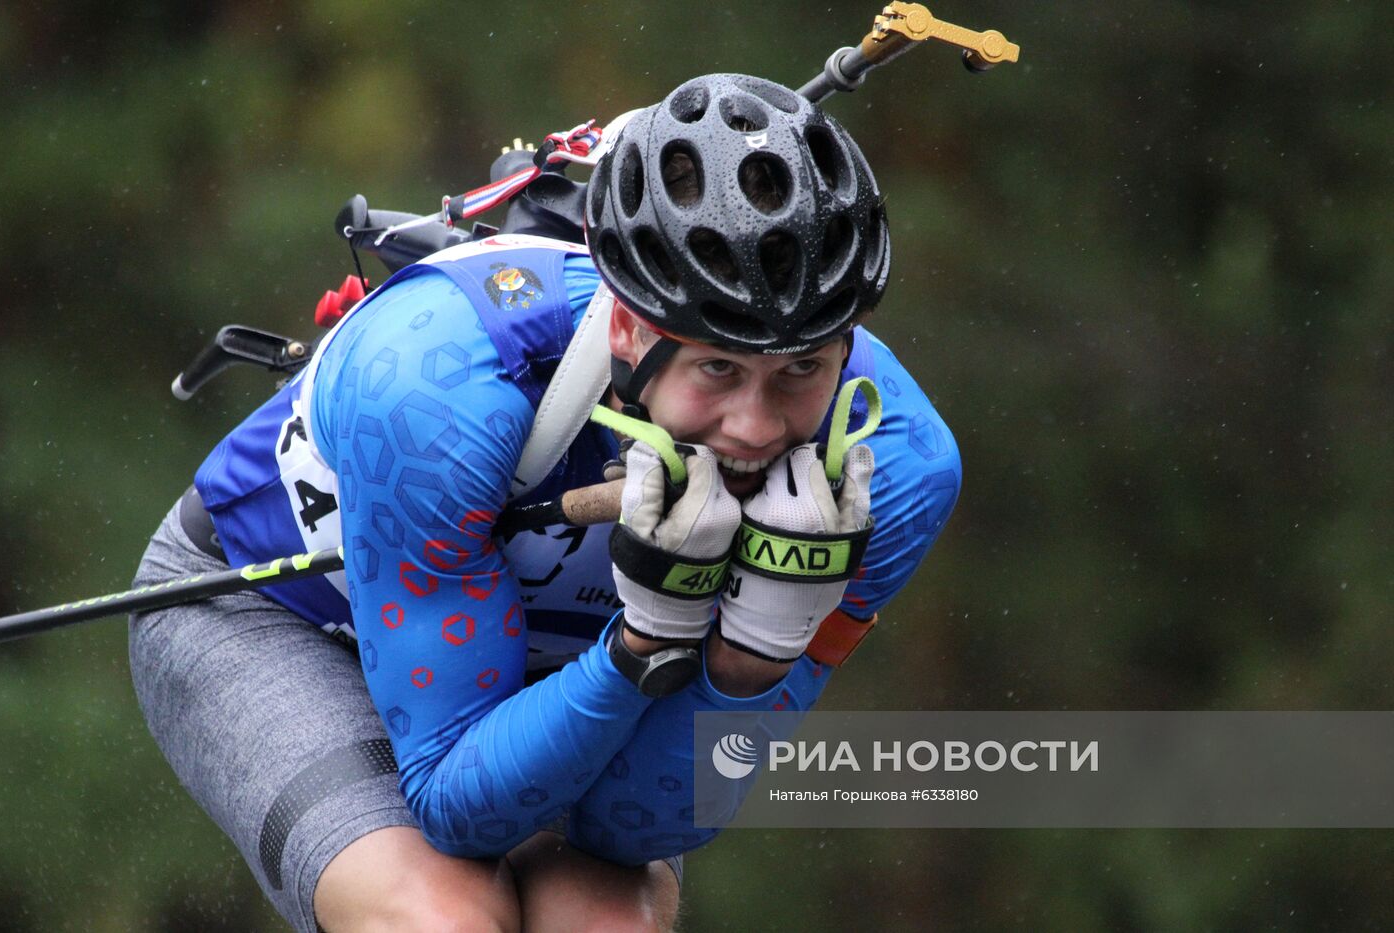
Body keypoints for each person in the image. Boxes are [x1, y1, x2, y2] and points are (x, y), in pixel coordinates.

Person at [128, 73, 961, 932]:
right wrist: (642, 646)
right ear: (631, 329)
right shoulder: (437, 384)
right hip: (283, 614)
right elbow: (460, 806)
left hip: (554, 664)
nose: (755, 427)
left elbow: (635, 824)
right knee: (440, 918)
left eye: (800, 370)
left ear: (847, 345)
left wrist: (755, 658)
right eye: (717, 367)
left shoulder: (895, 467)